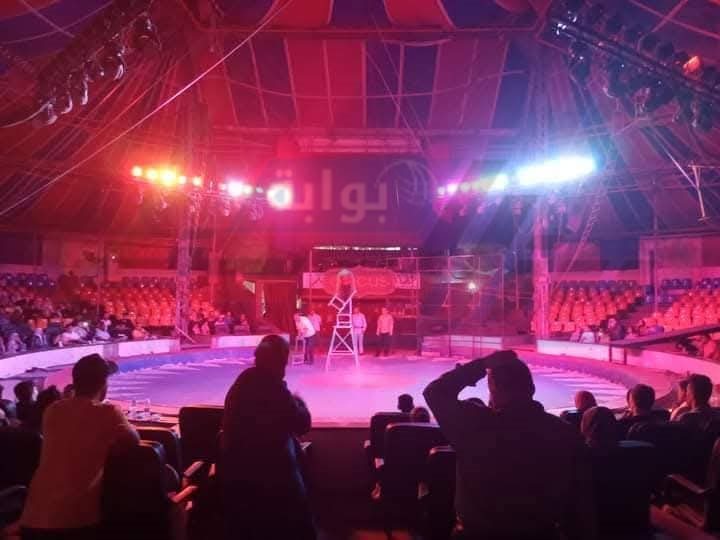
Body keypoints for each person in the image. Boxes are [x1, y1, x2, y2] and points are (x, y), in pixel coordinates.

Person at [424, 350, 596, 539]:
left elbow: (435, 392)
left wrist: (482, 364)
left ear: (494, 388)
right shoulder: (564, 432)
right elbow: (579, 502)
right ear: (531, 388)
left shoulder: (474, 424)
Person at [20, 353, 138, 538]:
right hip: (75, 520)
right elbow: (133, 440)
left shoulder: (53, 410)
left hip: (33, 517)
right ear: (104, 385)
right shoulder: (108, 412)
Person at [220, 335, 315, 540]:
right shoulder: (273, 387)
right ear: (280, 361)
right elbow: (302, 424)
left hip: (236, 471)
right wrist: (299, 402)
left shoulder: (243, 380)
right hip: (272, 474)